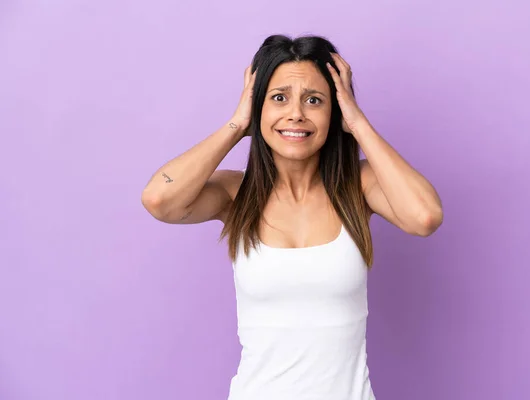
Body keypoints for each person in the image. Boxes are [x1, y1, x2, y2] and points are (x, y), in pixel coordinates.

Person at [141, 34, 443, 400]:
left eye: (314, 100)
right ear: (259, 107)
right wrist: (237, 123)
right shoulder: (237, 195)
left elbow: (425, 216)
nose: (296, 113)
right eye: (278, 98)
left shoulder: (358, 188)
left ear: (335, 112)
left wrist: (358, 123)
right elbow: (160, 199)